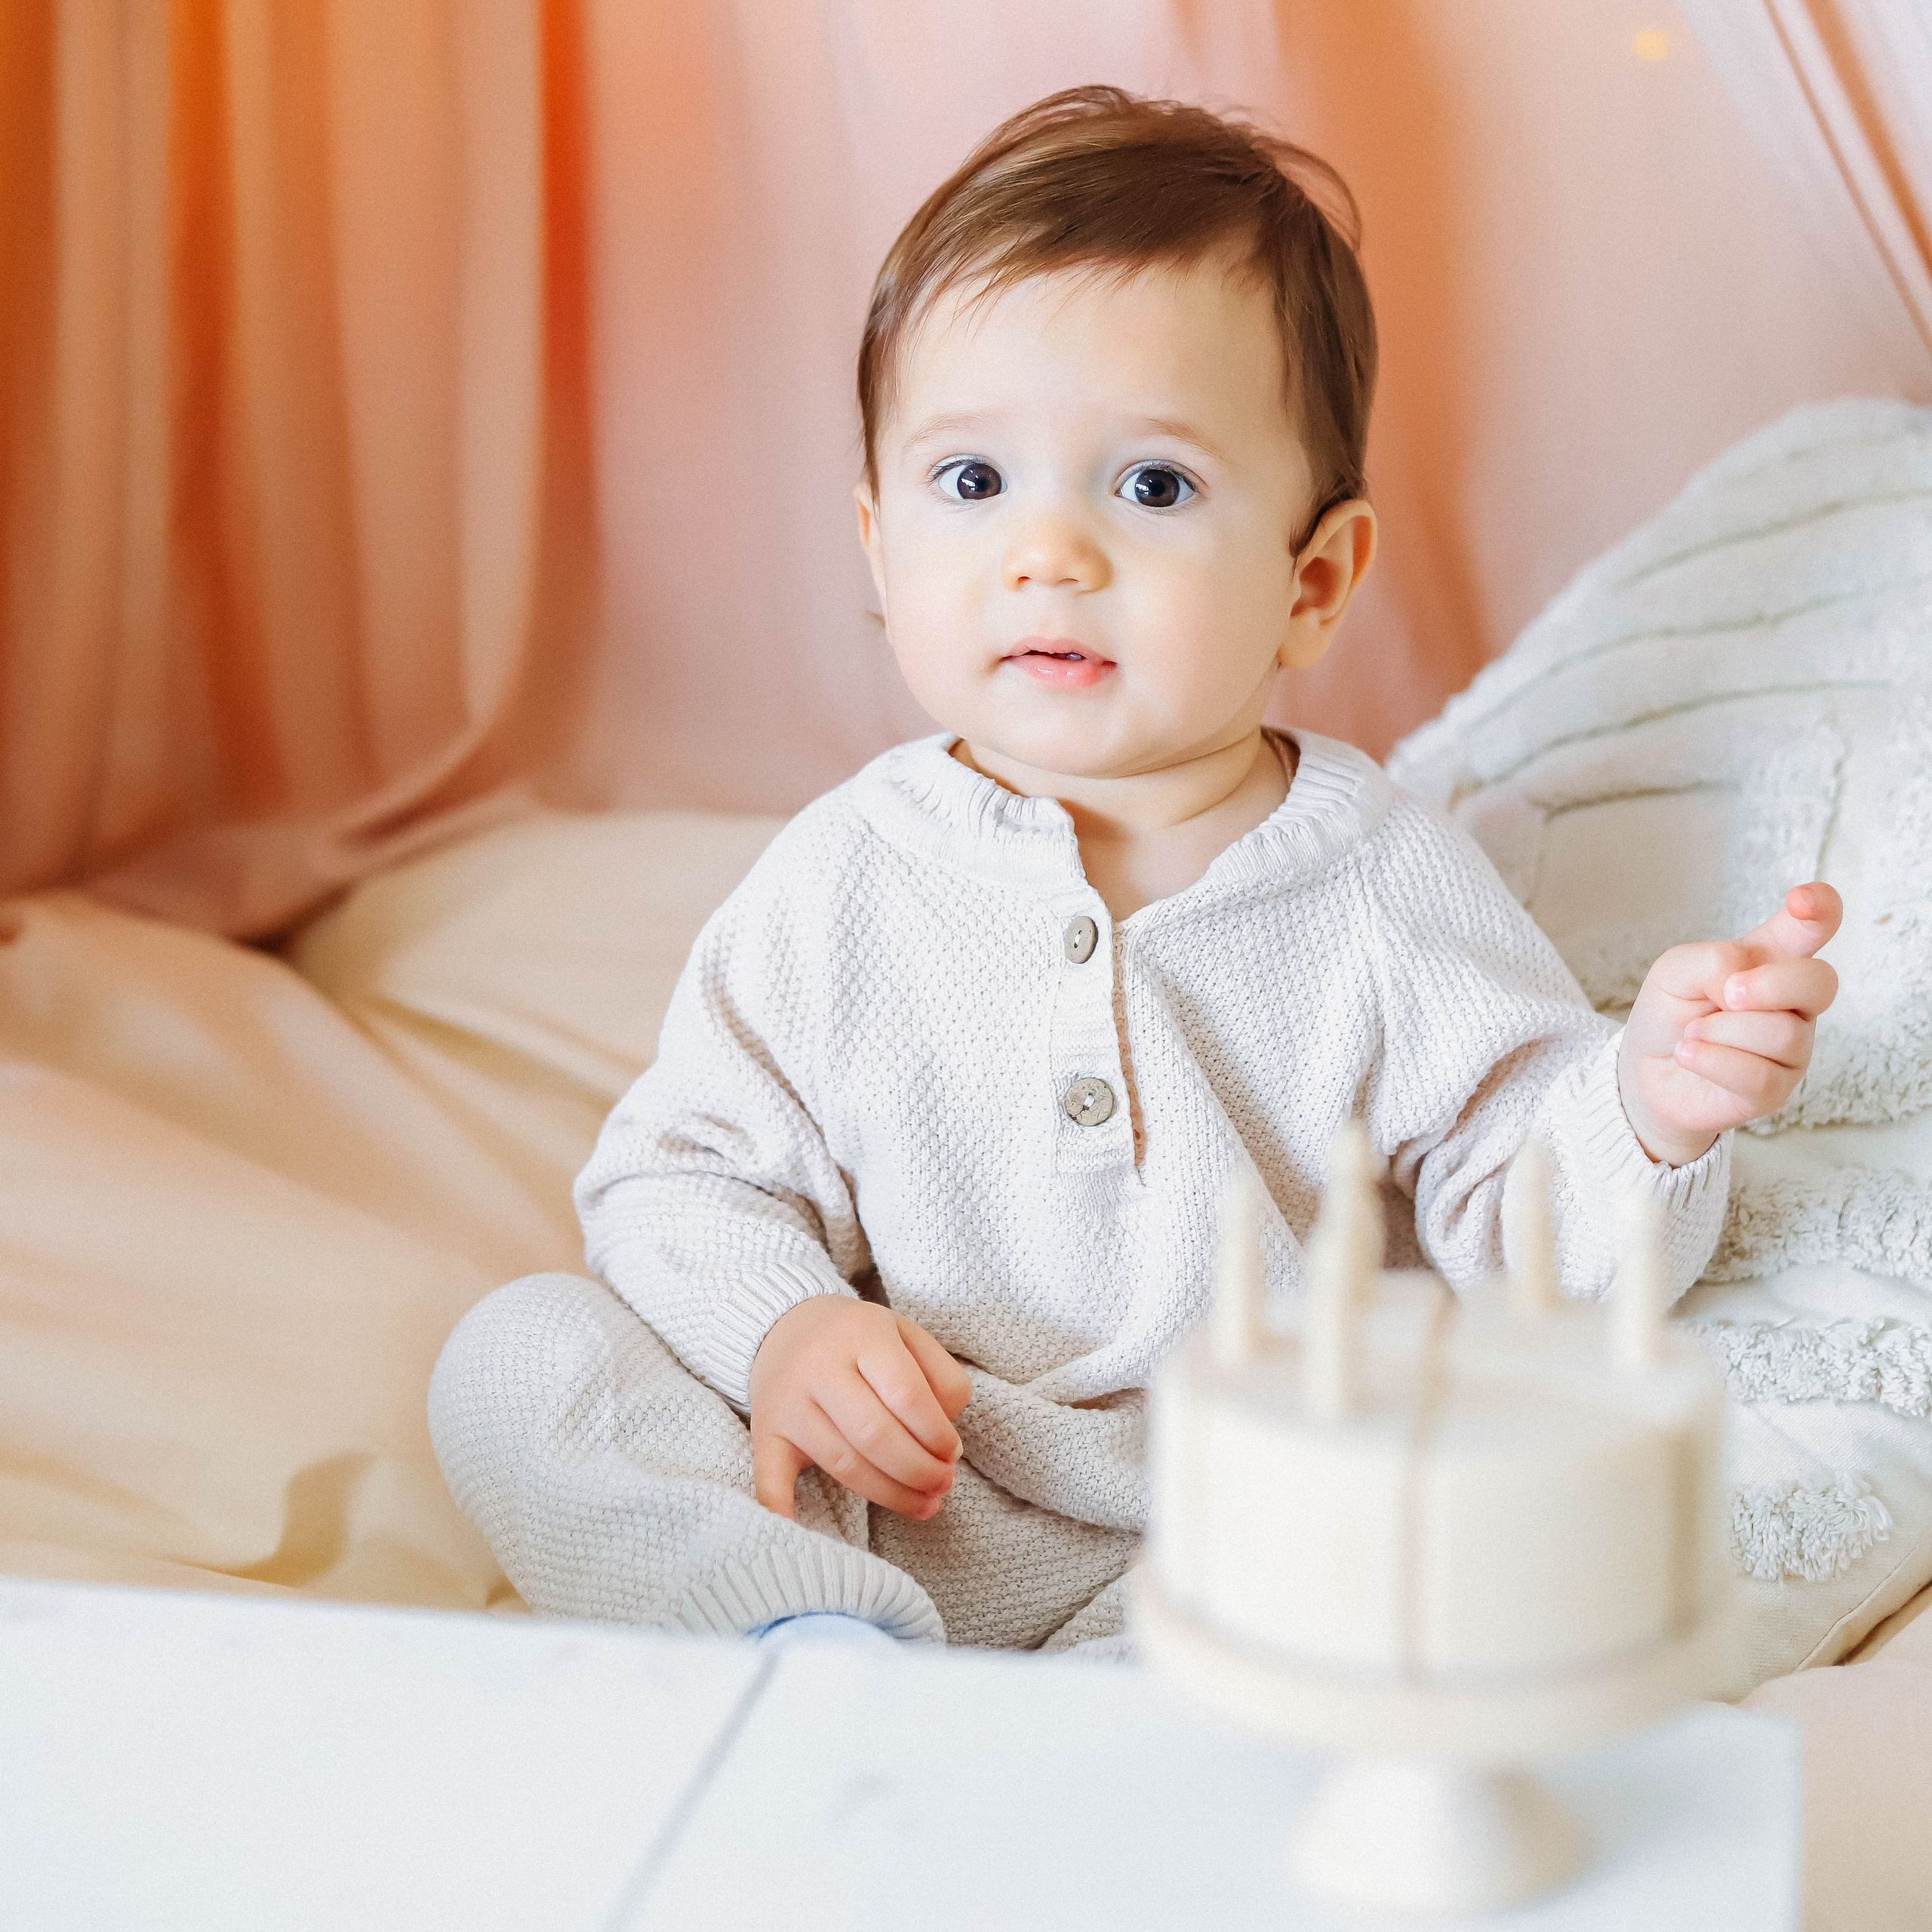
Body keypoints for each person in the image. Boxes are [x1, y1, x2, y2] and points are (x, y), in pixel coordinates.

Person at [429, 86, 1839, 1657]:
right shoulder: (844, 875)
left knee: (1431, 1552)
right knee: (520, 1358)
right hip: (879, 1479)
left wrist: (1648, 1105)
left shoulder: (1372, 882)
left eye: (1150, 487)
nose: (1049, 554)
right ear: (880, 546)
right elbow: (679, 1176)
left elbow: (1524, 1237)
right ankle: (798, 1650)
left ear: (1311, 582)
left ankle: (1088, 1750)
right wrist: (785, 1331)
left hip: (1222, 1522)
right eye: (971, 485)